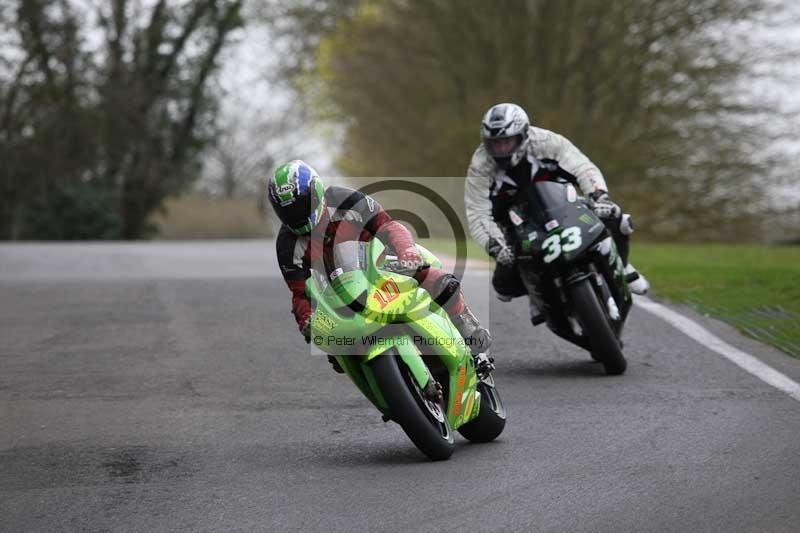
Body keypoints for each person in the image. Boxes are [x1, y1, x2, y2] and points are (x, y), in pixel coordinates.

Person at [269, 160, 491, 372]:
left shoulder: (345, 199)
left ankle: (469, 334)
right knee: (334, 351)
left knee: (440, 282)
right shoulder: (287, 247)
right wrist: (306, 320)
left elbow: (387, 225)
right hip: (337, 293)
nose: (297, 215)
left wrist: (406, 251)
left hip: (378, 266)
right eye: (289, 211)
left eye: (301, 206)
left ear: (317, 192)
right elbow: (300, 293)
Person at [465, 103, 649, 318]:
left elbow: (581, 166)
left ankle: (623, 266)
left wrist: (598, 196)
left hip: (562, 202)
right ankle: (537, 294)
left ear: (523, 135)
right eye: (494, 144)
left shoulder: (546, 141)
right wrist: (497, 248)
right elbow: (477, 213)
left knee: (617, 217)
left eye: (507, 142)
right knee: (504, 285)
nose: (501, 149)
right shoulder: (480, 166)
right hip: (515, 220)